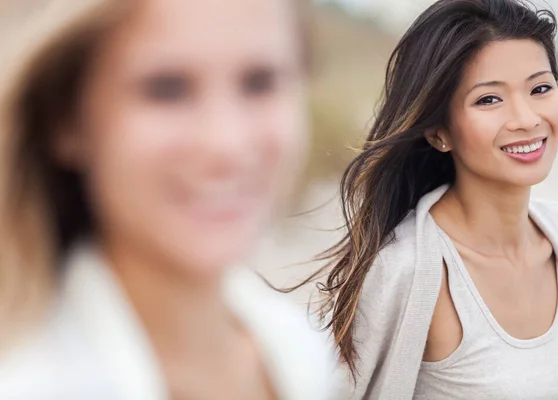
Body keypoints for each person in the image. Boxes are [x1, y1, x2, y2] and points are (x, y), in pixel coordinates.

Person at [0, 0, 333, 399]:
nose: (225, 143)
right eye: (167, 89)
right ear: (67, 122)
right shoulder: (30, 383)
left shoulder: (301, 350)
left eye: (259, 82)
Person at [309, 0, 558, 399]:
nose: (527, 118)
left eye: (540, 88)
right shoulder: (408, 271)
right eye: (489, 100)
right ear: (438, 132)